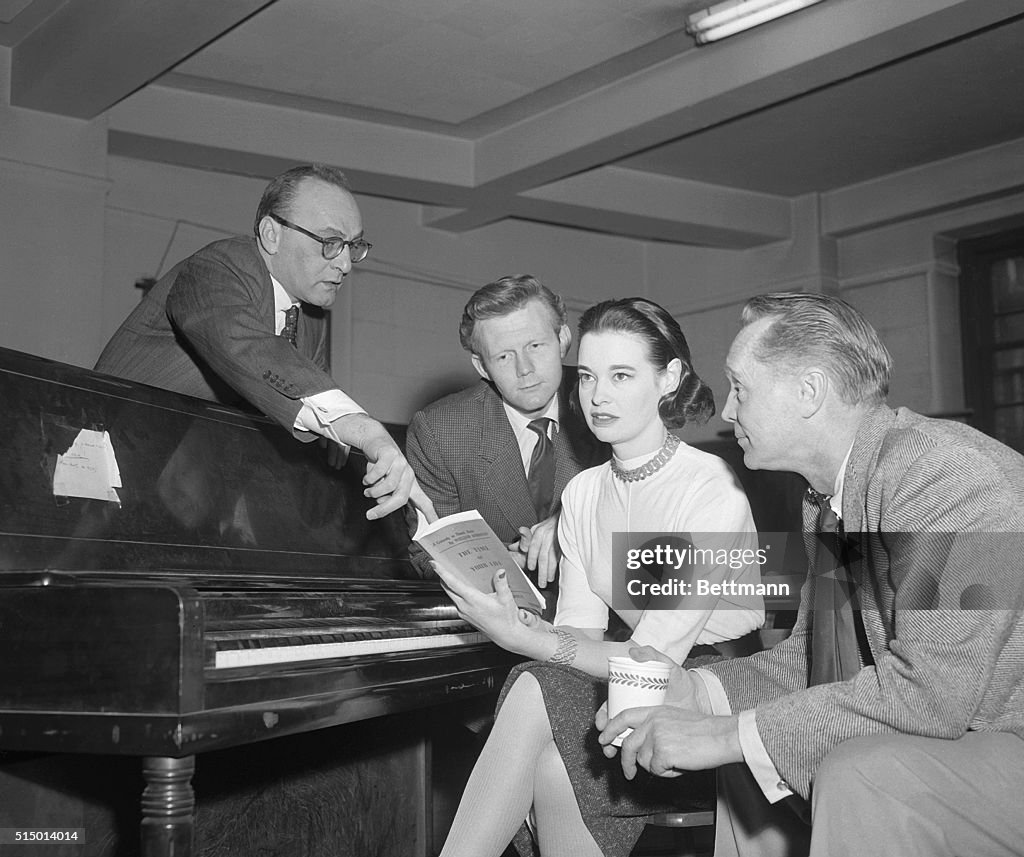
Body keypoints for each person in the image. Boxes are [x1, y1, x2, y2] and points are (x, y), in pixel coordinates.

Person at [599, 292, 1024, 857]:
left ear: (809, 392)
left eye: (740, 388)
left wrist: (727, 735)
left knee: (854, 769)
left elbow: (930, 697)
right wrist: (699, 692)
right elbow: (816, 661)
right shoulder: (833, 495)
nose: (726, 412)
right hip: (973, 736)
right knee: (753, 751)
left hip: (1002, 738)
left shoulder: (948, 478)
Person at [433, 297, 766, 857]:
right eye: (586, 376)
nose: (597, 396)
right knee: (558, 752)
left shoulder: (710, 487)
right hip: (623, 671)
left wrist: (526, 638)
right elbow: (582, 635)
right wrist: (523, 625)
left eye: (621, 375)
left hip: (711, 692)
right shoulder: (584, 492)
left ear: (670, 378)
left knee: (539, 686)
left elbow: (653, 662)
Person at [95, 163, 432, 522]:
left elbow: (310, 416)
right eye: (331, 243)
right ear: (271, 234)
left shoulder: (311, 318)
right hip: (100, 472)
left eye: (354, 245)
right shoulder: (218, 268)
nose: (346, 264)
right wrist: (366, 431)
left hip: (180, 500)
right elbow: (248, 349)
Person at [406, 275, 606, 602]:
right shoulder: (439, 431)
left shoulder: (610, 403)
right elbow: (425, 552)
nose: (524, 369)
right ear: (481, 366)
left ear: (564, 340)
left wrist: (572, 527)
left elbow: (661, 537)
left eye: (536, 346)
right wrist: (495, 571)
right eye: (503, 356)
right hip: (497, 629)